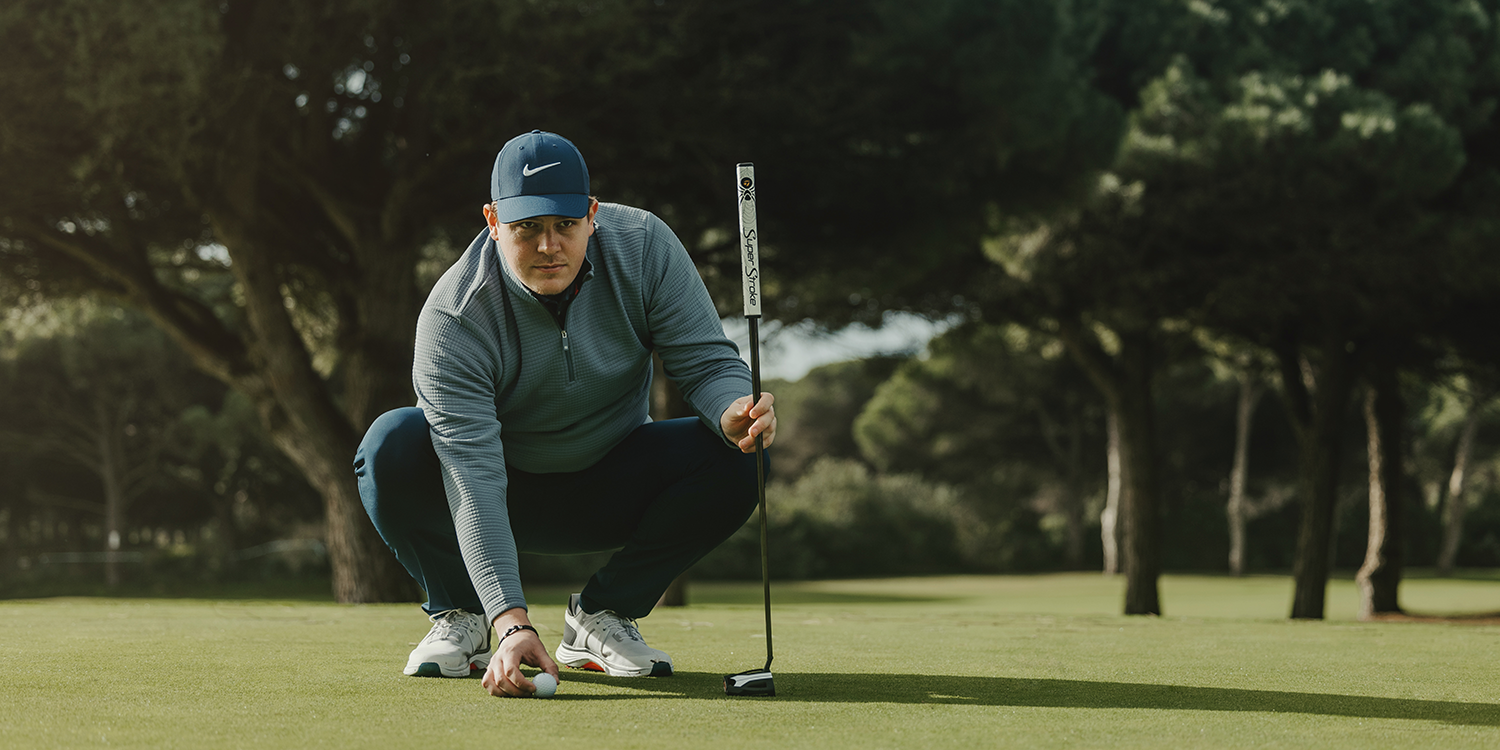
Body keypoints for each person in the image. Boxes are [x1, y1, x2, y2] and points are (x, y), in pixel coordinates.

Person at [352, 130, 775, 698]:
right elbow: (472, 477)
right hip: (503, 491)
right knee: (390, 444)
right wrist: (511, 620)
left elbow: (706, 362)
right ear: (493, 221)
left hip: (615, 479)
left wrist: (731, 408)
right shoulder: (454, 317)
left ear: (592, 215)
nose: (549, 245)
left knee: (742, 454)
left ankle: (603, 616)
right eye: (527, 227)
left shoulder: (644, 245)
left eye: (566, 224)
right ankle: (465, 614)